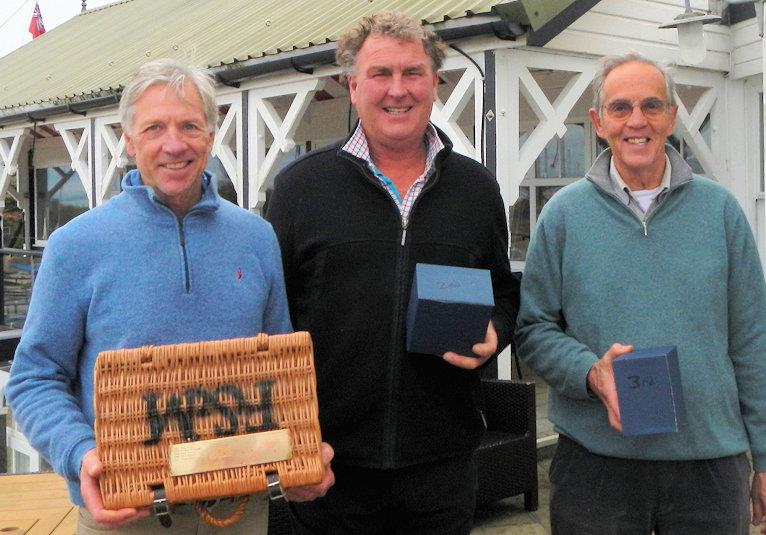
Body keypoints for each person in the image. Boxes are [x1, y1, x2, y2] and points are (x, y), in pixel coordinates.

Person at [6, 58, 333, 535]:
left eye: (189, 126)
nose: (174, 144)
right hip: (126, 515)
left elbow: (281, 376)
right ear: (128, 139)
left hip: (240, 511)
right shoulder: (75, 245)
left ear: (211, 134)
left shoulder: (257, 238)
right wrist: (81, 455)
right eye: (154, 127)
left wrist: (303, 450)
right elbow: (33, 378)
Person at [515, 52, 766, 535]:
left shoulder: (720, 212)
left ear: (672, 116)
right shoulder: (563, 215)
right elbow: (534, 330)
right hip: (595, 469)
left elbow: (753, 343)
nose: (636, 121)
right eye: (620, 108)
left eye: (651, 106)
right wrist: (590, 373)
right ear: (598, 123)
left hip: (710, 468)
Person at [266, 11, 519, 535]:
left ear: (435, 82)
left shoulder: (476, 189)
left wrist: (496, 329)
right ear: (353, 86)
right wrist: (288, 438)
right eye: (380, 74)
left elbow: (503, 290)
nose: (397, 90)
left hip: (443, 464)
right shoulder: (300, 188)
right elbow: (273, 319)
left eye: (412, 73)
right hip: (330, 464)